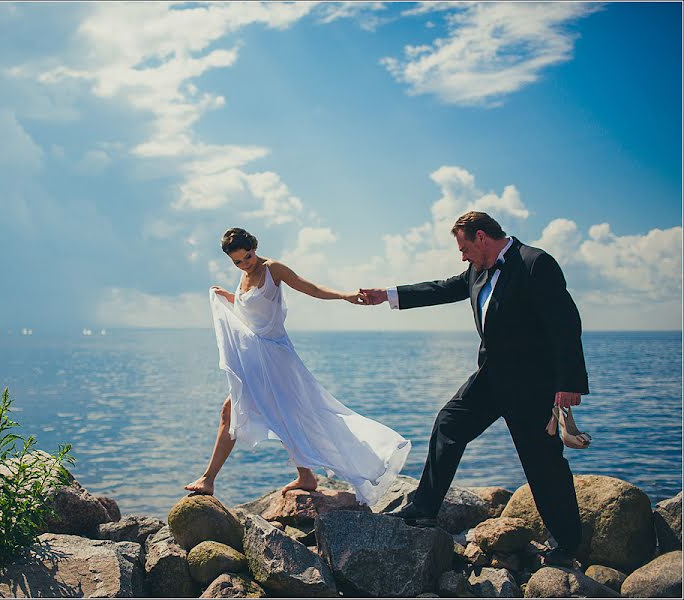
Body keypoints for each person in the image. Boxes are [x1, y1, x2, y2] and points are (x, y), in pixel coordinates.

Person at [360, 211, 589, 567]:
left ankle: (568, 543)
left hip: (532, 386)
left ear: (482, 237)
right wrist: (386, 295)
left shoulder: (535, 263)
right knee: (449, 424)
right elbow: (441, 288)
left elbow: (565, 322)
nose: (462, 256)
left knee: (543, 463)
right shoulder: (477, 271)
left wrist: (569, 383)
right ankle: (423, 509)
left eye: (464, 247)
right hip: (491, 379)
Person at [185, 227, 411, 505]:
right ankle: (304, 476)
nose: (245, 264)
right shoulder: (244, 275)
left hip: (276, 359)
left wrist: (344, 295)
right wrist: (228, 297)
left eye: (248, 256)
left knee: (264, 412)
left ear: (255, 247)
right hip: (255, 360)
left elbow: (310, 288)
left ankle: (209, 479)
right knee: (278, 414)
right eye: (238, 261)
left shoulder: (273, 269)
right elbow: (252, 311)